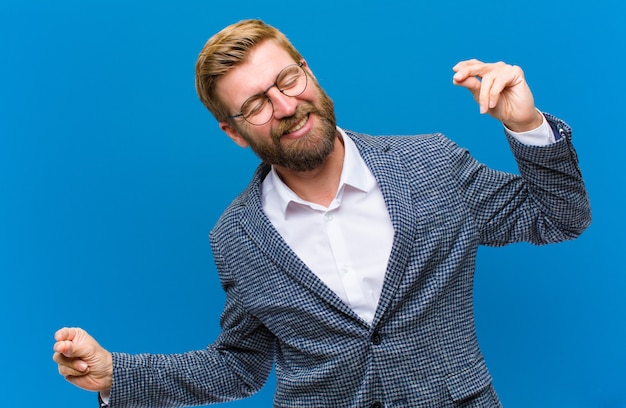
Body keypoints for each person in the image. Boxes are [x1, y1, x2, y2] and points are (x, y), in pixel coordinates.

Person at [53, 19, 591, 407]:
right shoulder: (235, 238)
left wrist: (525, 126)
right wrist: (113, 376)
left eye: (287, 80)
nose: (286, 106)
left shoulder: (432, 164)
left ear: (308, 72)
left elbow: (560, 215)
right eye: (256, 104)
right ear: (234, 132)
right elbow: (240, 365)